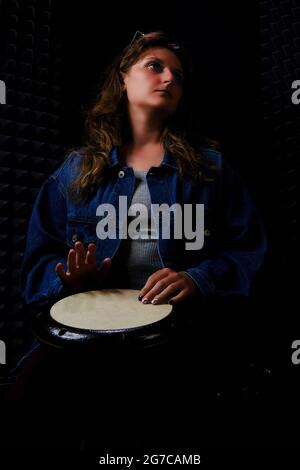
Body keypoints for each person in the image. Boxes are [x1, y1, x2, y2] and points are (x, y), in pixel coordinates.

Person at [9, 31, 267, 449]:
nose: (169, 79)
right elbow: (36, 269)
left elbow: (249, 251)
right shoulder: (72, 174)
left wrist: (198, 279)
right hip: (89, 337)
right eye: (155, 66)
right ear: (123, 78)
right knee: (25, 404)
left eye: (178, 76)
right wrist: (71, 282)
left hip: (181, 334)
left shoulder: (211, 169)